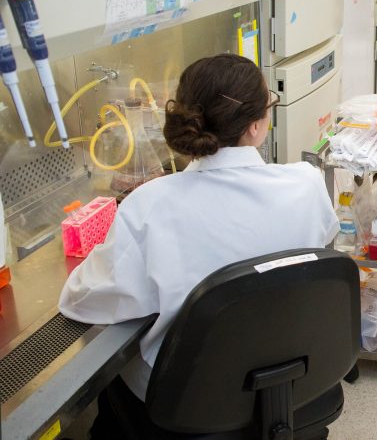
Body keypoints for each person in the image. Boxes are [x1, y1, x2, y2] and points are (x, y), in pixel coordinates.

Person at [59, 54, 339, 406]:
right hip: (295, 376)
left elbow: (85, 301)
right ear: (254, 125)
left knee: (111, 389)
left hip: (192, 397)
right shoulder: (306, 185)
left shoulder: (150, 205)